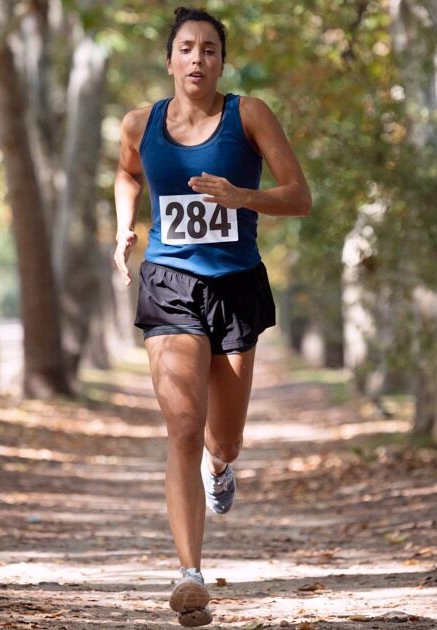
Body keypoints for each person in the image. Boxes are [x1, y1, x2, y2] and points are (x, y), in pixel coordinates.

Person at [112, 6, 312, 627]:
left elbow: (299, 196)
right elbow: (127, 174)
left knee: (220, 437)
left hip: (235, 284)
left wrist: (241, 196)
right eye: (187, 49)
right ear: (169, 59)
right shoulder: (139, 122)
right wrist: (123, 227)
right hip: (170, 282)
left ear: (222, 61)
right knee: (181, 424)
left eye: (210, 50)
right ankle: (189, 575)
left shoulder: (247, 115)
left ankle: (220, 467)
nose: (198, 59)